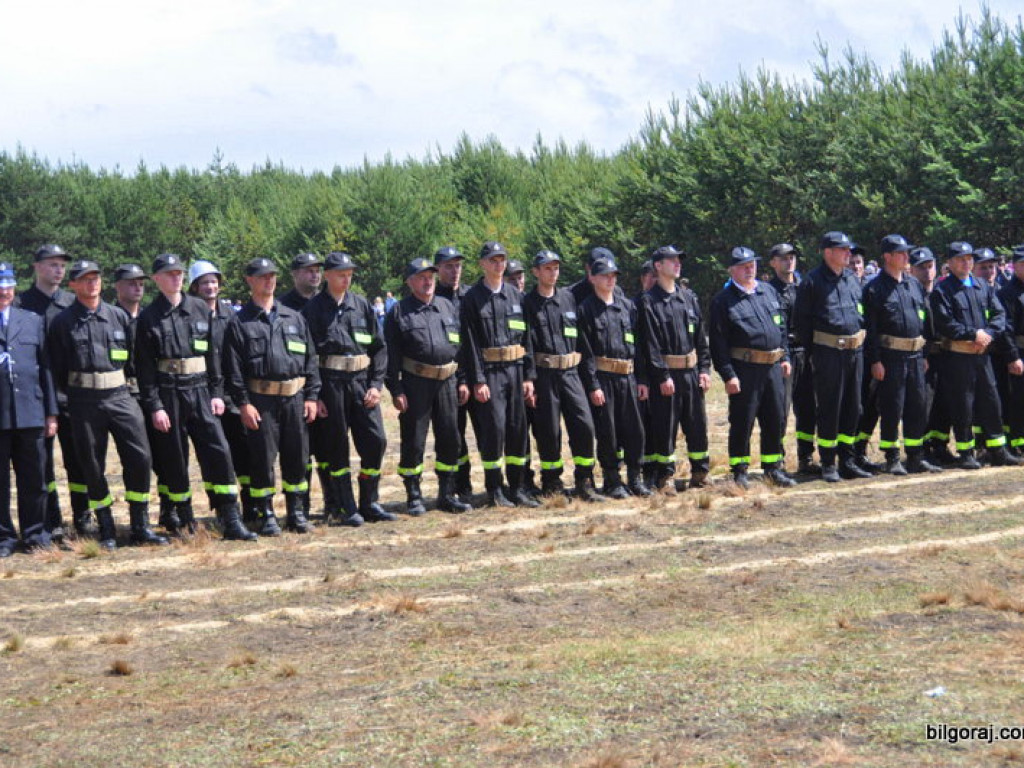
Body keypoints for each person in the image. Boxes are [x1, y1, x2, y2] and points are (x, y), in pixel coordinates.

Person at [135, 253, 256, 541]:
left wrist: (217, 393)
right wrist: (155, 407)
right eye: (168, 274)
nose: (175, 277)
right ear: (157, 279)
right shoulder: (148, 318)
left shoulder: (201, 310)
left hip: (201, 391)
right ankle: (185, 519)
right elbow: (145, 369)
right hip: (169, 393)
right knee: (175, 457)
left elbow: (213, 356)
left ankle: (231, 518)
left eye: (179, 273)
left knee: (219, 451)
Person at [48, 261, 168, 550]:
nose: (92, 284)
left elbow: (134, 361)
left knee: (140, 457)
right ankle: (106, 528)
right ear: (73, 285)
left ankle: (140, 525)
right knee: (91, 463)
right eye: (85, 280)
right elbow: (56, 370)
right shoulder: (62, 323)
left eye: (96, 278)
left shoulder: (119, 317)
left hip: (120, 396)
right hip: (84, 401)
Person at [225, 257, 321, 535]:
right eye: (262, 276)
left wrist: (312, 397)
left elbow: (310, 360)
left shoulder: (294, 317)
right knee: (262, 459)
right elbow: (234, 371)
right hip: (261, 401)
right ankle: (266, 513)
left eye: (272, 276)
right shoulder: (239, 322)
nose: (269, 280)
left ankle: (296, 512)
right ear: (250, 281)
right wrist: (243, 404)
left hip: (294, 398)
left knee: (297, 456)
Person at [302, 251, 395, 526]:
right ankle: (346, 506)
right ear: (327, 276)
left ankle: (369, 501)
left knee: (376, 441)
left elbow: (379, 347)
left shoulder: (361, 305)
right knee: (336, 448)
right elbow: (307, 358)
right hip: (330, 385)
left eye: (349, 274)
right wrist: (314, 394)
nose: (346, 279)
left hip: (361, 383)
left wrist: (377, 385)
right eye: (341, 274)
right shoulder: (313, 310)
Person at [384, 257, 471, 515]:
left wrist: (463, 380)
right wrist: (396, 390)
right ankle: (413, 495)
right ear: (410, 282)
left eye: (430, 277)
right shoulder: (399, 312)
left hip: (447, 381)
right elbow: (391, 355)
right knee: (414, 440)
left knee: (450, 437)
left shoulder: (446, 307)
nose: (427, 282)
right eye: (422, 277)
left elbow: (459, 347)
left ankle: (447, 493)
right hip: (415, 383)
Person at [17, 243, 89, 540]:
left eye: (61, 265)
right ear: (36, 267)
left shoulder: (73, 303)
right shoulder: (20, 305)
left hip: (72, 394)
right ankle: (51, 519)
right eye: (51, 264)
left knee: (80, 459)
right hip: (36, 398)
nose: (58, 269)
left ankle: (83, 517)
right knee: (41, 464)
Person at [709, 247, 795, 488]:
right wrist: (728, 375)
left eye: (752, 264)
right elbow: (718, 344)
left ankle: (772, 468)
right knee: (743, 421)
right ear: (732, 270)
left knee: (775, 419)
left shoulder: (767, 292)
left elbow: (781, 328)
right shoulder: (723, 301)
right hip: (744, 370)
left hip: (773, 368)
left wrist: (785, 356)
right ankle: (740, 470)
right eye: (744, 266)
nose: (750, 269)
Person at [929, 241, 1020, 469]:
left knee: (991, 402)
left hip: (982, 355)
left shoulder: (982, 286)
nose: (966, 262)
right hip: (958, 358)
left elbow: (999, 315)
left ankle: (997, 450)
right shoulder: (942, 290)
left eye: (969, 258)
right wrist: (973, 334)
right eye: (960, 259)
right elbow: (945, 323)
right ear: (949, 263)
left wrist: (988, 333)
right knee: (963, 405)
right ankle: (966, 451)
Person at [522, 249, 603, 501]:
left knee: (584, 425)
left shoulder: (568, 299)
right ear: (536, 272)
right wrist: (529, 380)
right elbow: (526, 345)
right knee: (548, 432)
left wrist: (590, 381)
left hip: (571, 373)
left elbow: (583, 342)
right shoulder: (527, 304)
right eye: (547, 268)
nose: (552, 272)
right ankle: (552, 482)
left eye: (555, 267)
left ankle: (584, 480)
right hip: (544, 375)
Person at [460, 241, 537, 507]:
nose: (498, 264)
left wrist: (529, 376)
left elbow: (527, 338)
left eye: (502, 259)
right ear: (482, 264)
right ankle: (495, 488)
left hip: (515, 371)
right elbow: (469, 344)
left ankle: (516, 487)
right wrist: (477, 379)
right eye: (493, 260)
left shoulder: (516, 296)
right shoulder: (472, 299)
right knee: (494, 429)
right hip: (490, 373)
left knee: (517, 429)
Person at [861, 235, 941, 475]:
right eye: (901, 253)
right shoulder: (874, 288)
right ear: (887, 257)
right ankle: (892, 456)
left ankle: (915, 456)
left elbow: (924, 321)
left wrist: (925, 353)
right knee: (891, 407)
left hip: (916, 356)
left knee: (917, 406)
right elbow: (871, 328)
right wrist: (875, 360)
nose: (907, 257)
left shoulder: (913, 284)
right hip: (890, 357)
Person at [793, 231, 868, 483]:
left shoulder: (851, 279)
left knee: (852, 406)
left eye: (850, 249)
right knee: (830, 408)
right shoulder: (812, 282)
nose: (849, 254)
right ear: (828, 253)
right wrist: (815, 355)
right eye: (843, 250)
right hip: (828, 354)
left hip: (854, 352)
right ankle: (828, 462)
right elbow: (802, 323)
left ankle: (847, 460)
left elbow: (860, 312)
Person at [187, 260, 256, 524]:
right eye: (204, 282)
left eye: (214, 281)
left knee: (242, 447)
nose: (210, 286)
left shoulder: (230, 314)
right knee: (212, 452)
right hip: (202, 394)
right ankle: (221, 506)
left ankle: (250, 503)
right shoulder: (189, 313)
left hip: (232, 393)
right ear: (195, 287)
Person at [637, 244, 711, 490]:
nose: (677, 263)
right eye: (672, 260)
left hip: (691, 373)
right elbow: (651, 345)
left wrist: (704, 369)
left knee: (697, 424)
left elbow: (701, 337)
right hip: (667, 378)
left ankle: (701, 473)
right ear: (658, 266)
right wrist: (662, 375)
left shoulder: (688, 297)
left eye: (679, 260)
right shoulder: (649, 302)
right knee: (665, 428)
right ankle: (665, 476)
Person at [577, 257, 650, 498]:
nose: (610, 279)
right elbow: (586, 353)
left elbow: (639, 346)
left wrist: (642, 379)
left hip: (628, 377)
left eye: (613, 275)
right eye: (605, 275)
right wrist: (593, 385)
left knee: (635, 430)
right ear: (593, 278)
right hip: (604, 378)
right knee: (608, 432)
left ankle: (635, 478)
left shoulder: (627, 307)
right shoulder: (586, 309)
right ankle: (612, 480)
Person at [0, 262, 57, 556]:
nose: (3, 291)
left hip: (30, 413)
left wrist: (51, 413)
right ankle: (4, 538)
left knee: (34, 479)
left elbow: (46, 369)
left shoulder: (32, 320)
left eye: (8, 285)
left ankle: (35, 533)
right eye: (0, 286)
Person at [768, 243, 818, 474]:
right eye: (784, 258)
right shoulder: (768, 291)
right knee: (780, 410)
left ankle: (806, 456)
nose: (789, 262)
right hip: (783, 355)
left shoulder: (803, 287)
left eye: (792, 257)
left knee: (808, 408)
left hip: (805, 352)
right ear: (773, 263)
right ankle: (776, 459)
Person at [434, 245, 478, 502]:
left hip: (480, 374)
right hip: (452, 378)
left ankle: (496, 483)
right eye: (449, 266)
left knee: (486, 431)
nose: (454, 271)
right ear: (438, 269)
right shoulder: (434, 299)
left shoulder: (471, 295)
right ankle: (461, 484)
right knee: (454, 433)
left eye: (458, 266)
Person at [997, 245, 1024, 455]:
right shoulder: (1007, 292)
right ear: (1014, 266)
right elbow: (1006, 328)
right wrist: (1013, 356)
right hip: (1019, 351)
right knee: (1017, 399)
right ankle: (1017, 442)